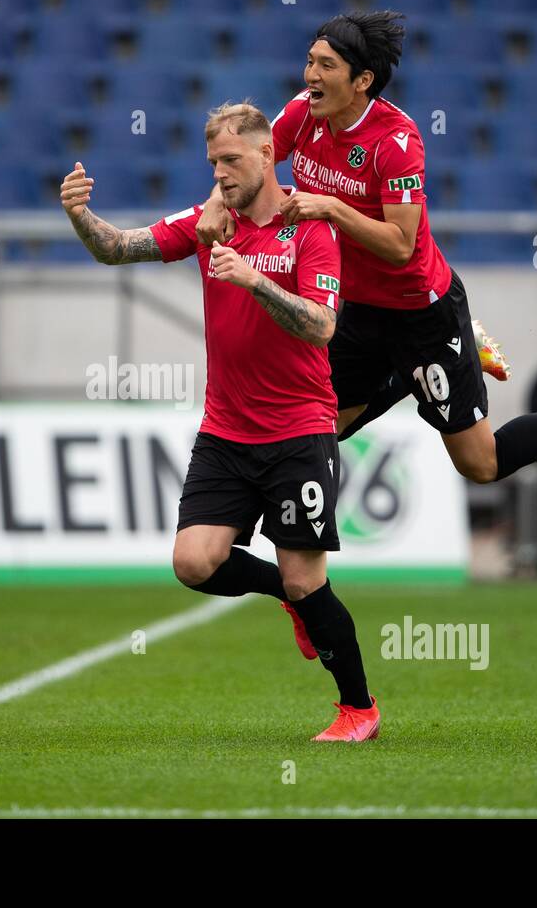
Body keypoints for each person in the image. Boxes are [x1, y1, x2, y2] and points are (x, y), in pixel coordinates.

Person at [197, 11, 537, 479]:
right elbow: (252, 162)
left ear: (362, 80)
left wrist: (332, 207)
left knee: (481, 464)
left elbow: (400, 246)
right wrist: (217, 200)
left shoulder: (396, 140)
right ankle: (413, 373)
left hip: (421, 312)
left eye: (326, 66)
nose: (310, 75)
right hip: (363, 310)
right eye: (309, 61)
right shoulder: (303, 114)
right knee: (320, 424)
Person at [60, 101, 381, 742]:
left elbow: (321, 325)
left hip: (299, 430)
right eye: (213, 162)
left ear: (268, 155)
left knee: (305, 574)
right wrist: (80, 216)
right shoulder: (208, 225)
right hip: (227, 431)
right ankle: (288, 600)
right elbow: (119, 249)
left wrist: (253, 280)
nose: (221, 173)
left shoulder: (310, 226)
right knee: (193, 562)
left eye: (232, 159)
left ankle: (359, 710)